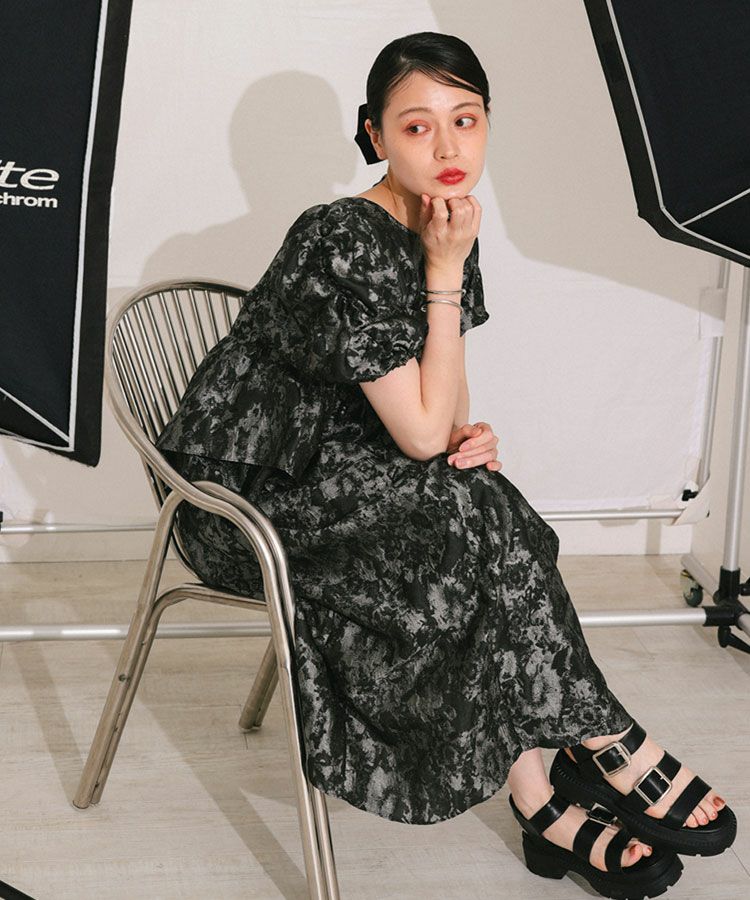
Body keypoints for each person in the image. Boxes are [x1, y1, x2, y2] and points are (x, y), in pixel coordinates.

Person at [155, 31, 735, 897]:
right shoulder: (337, 233)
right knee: (473, 513)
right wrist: (444, 290)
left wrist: (473, 436)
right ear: (375, 135)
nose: (447, 145)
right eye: (417, 126)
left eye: (466, 119)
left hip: (349, 466)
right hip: (247, 497)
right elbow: (423, 437)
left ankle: (541, 796)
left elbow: (442, 415)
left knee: (478, 501)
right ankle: (602, 742)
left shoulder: (446, 222)